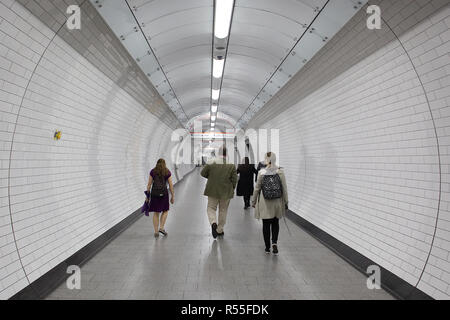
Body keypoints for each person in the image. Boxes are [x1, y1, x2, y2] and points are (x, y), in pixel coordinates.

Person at [252, 152, 288, 255]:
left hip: (265, 203)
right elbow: (284, 188)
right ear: (275, 159)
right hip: (277, 202)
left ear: (266, 160)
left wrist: (253, 201)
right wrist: (286, 201)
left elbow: (257, 189)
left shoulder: (262, 172)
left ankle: (267, 247)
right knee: (275, 223)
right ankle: (274, 243)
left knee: (266, 224)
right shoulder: (280, 172)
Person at [201, 146, 237, 238]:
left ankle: (213, 223)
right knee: (223, 210)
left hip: (212, 190)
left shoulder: (211, 162)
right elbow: (234, 179)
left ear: (218, 153)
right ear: (226, 154)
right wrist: (232, 188)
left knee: (211, 208)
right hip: (226, 192)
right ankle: (220, 230)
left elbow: (203, 173)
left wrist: (212, 178)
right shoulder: (231, 165)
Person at [146, 158, 174, 237]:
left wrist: (147, 196)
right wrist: (172, 196)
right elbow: (171, 185)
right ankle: (161, 227)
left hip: (154, 194)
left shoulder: (153, 171)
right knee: (165, 210)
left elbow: (149, 184)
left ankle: (156, 231)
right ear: (164, 164)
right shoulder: (167, 172)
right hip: (164, 194)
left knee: (156, 212)